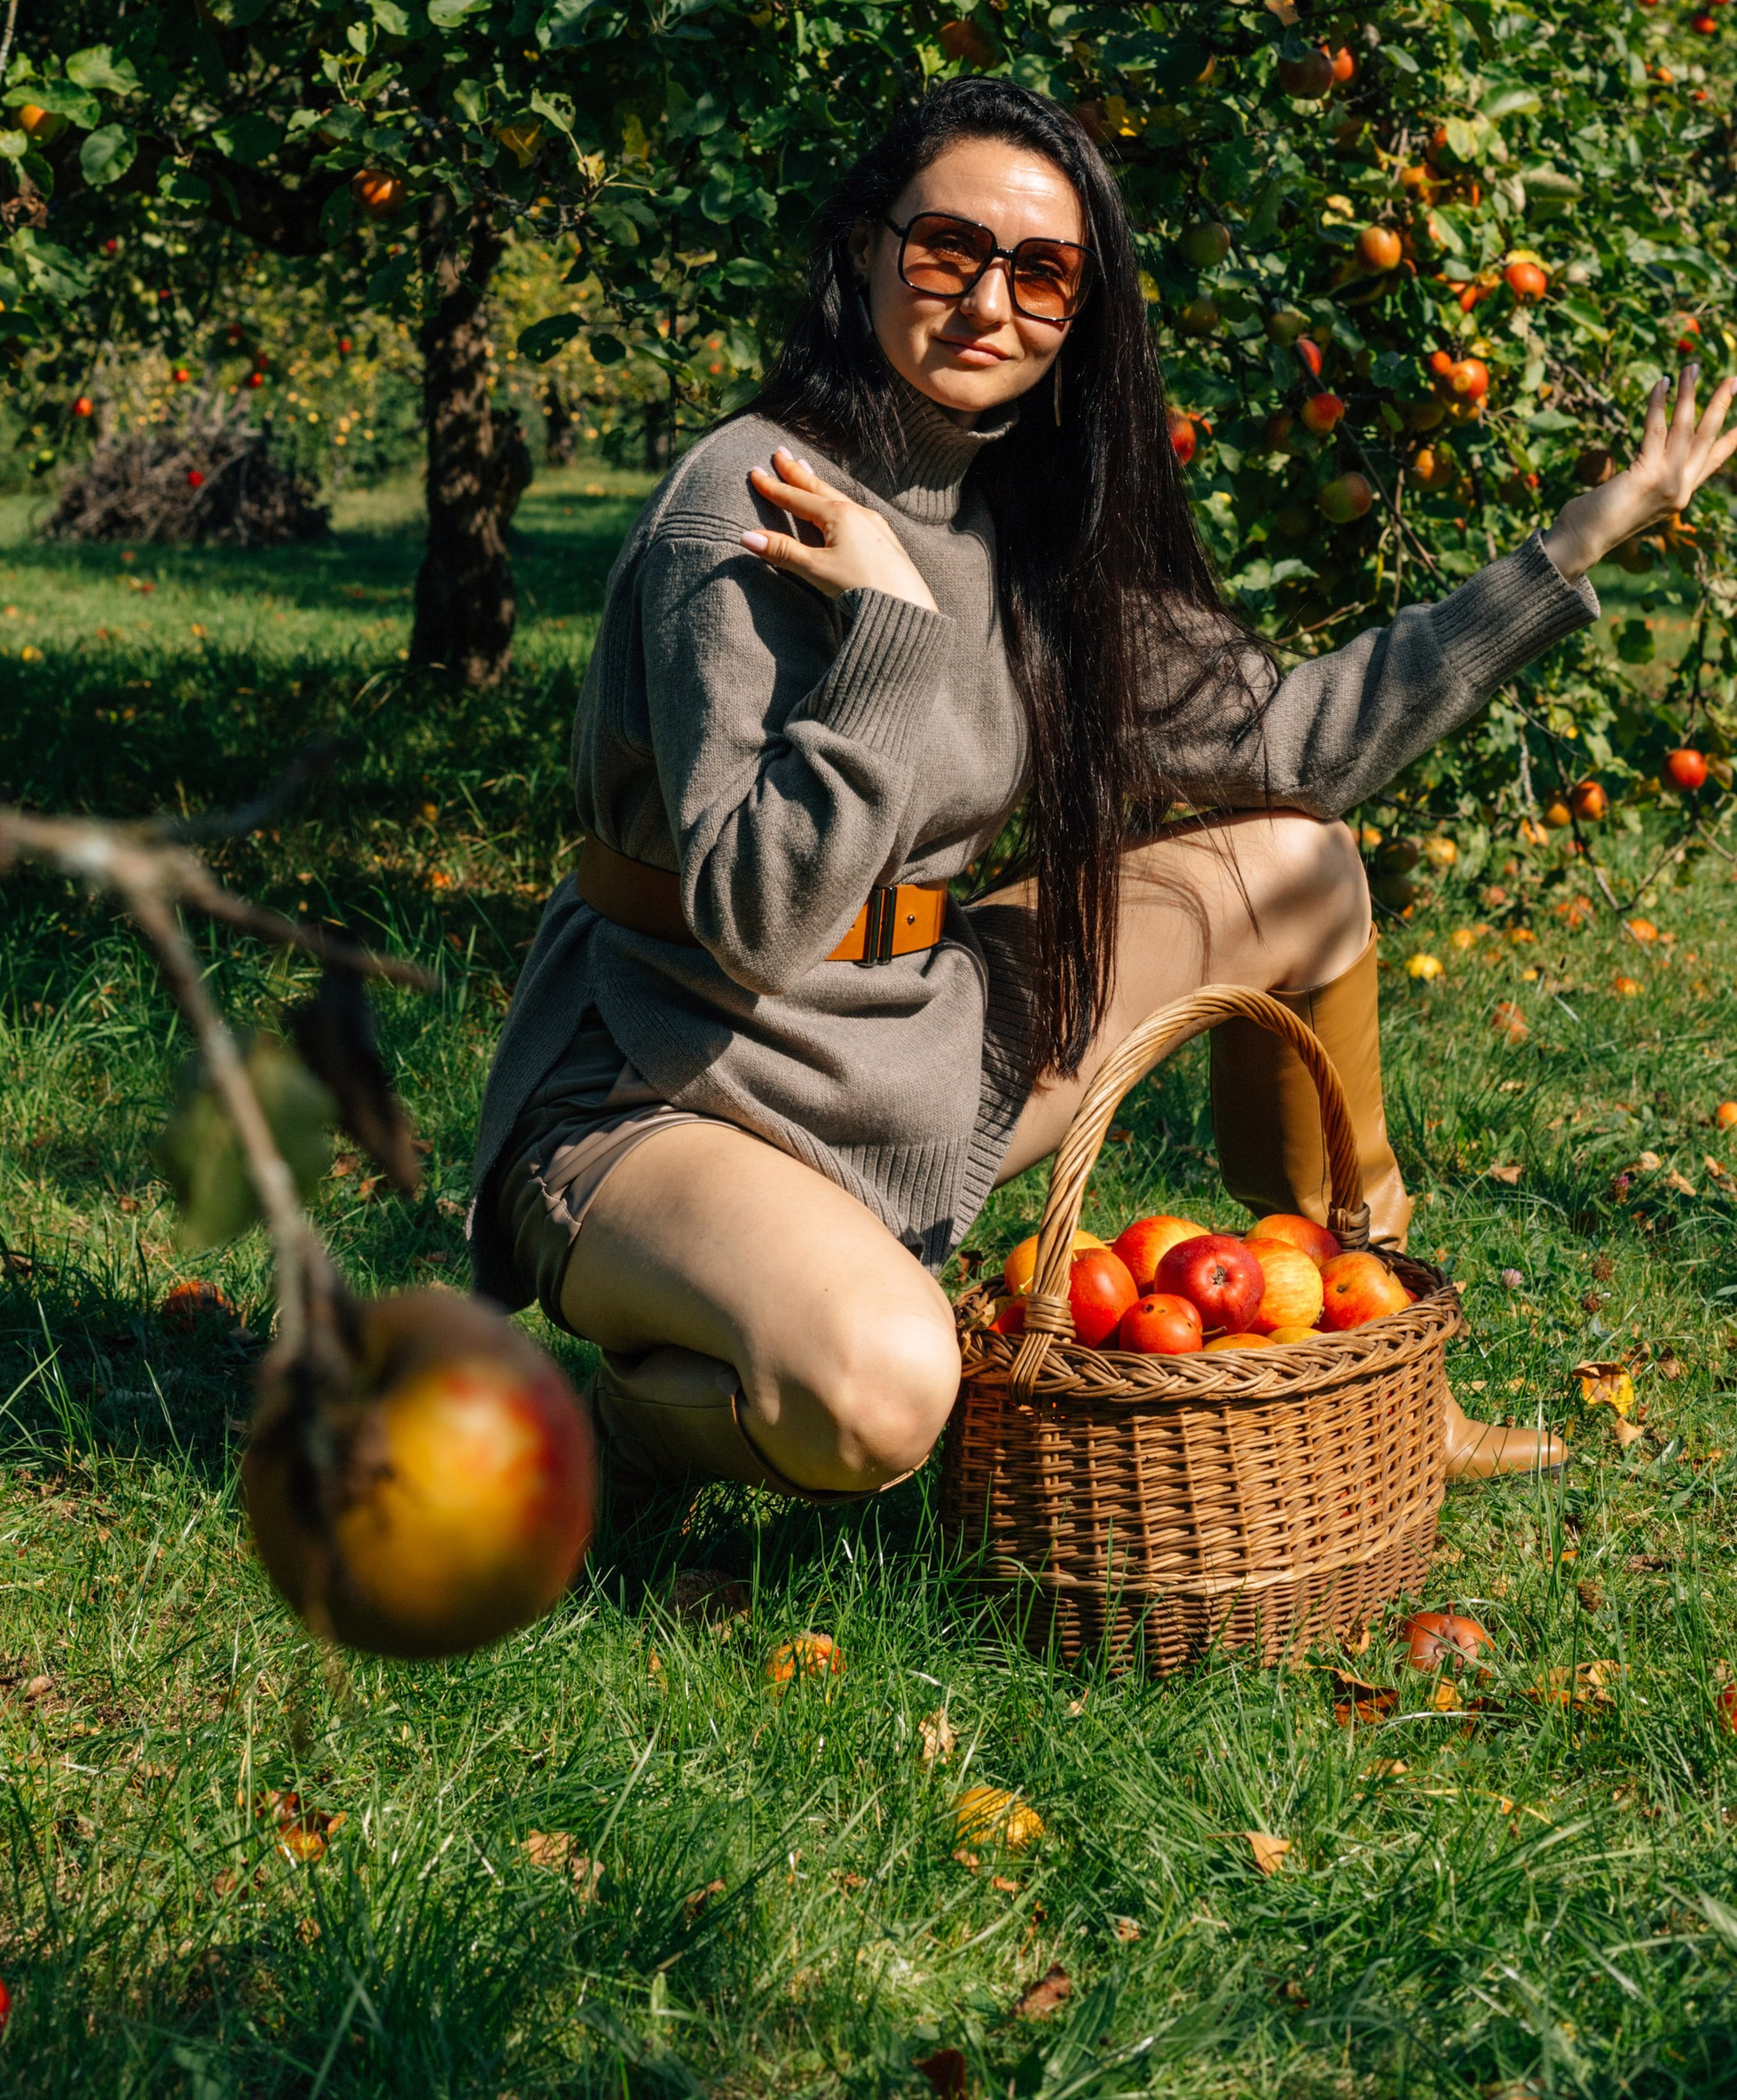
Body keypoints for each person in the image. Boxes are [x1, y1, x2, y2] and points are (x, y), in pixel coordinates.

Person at [468, 78, 1736, 1508]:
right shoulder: (746, 500)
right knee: (886, 1395)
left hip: (911, 1035)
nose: (986, 302)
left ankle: (1375, 1355)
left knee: (1305, 867)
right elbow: (757, 919)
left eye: (1043, 273)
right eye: (947, 249)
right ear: (868, 253)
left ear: (1081, 316)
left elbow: (1301, 743)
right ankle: (637, 1423)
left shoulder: (1025, 529)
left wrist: (1570, 549)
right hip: (672, 1073)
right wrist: (888, 638)